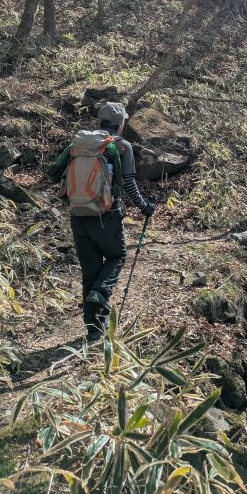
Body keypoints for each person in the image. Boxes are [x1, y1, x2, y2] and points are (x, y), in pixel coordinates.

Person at [50, 101, 155, 341]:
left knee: (90, 270)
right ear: (120, 124)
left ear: (101, 122)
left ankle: (93, 329)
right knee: (117, 256)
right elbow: (128, 183)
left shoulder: (78, 145)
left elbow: (54, 173)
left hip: (78, 215)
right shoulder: (120, 146)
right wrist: (145, 207)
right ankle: (101, 291)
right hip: (106, 216)